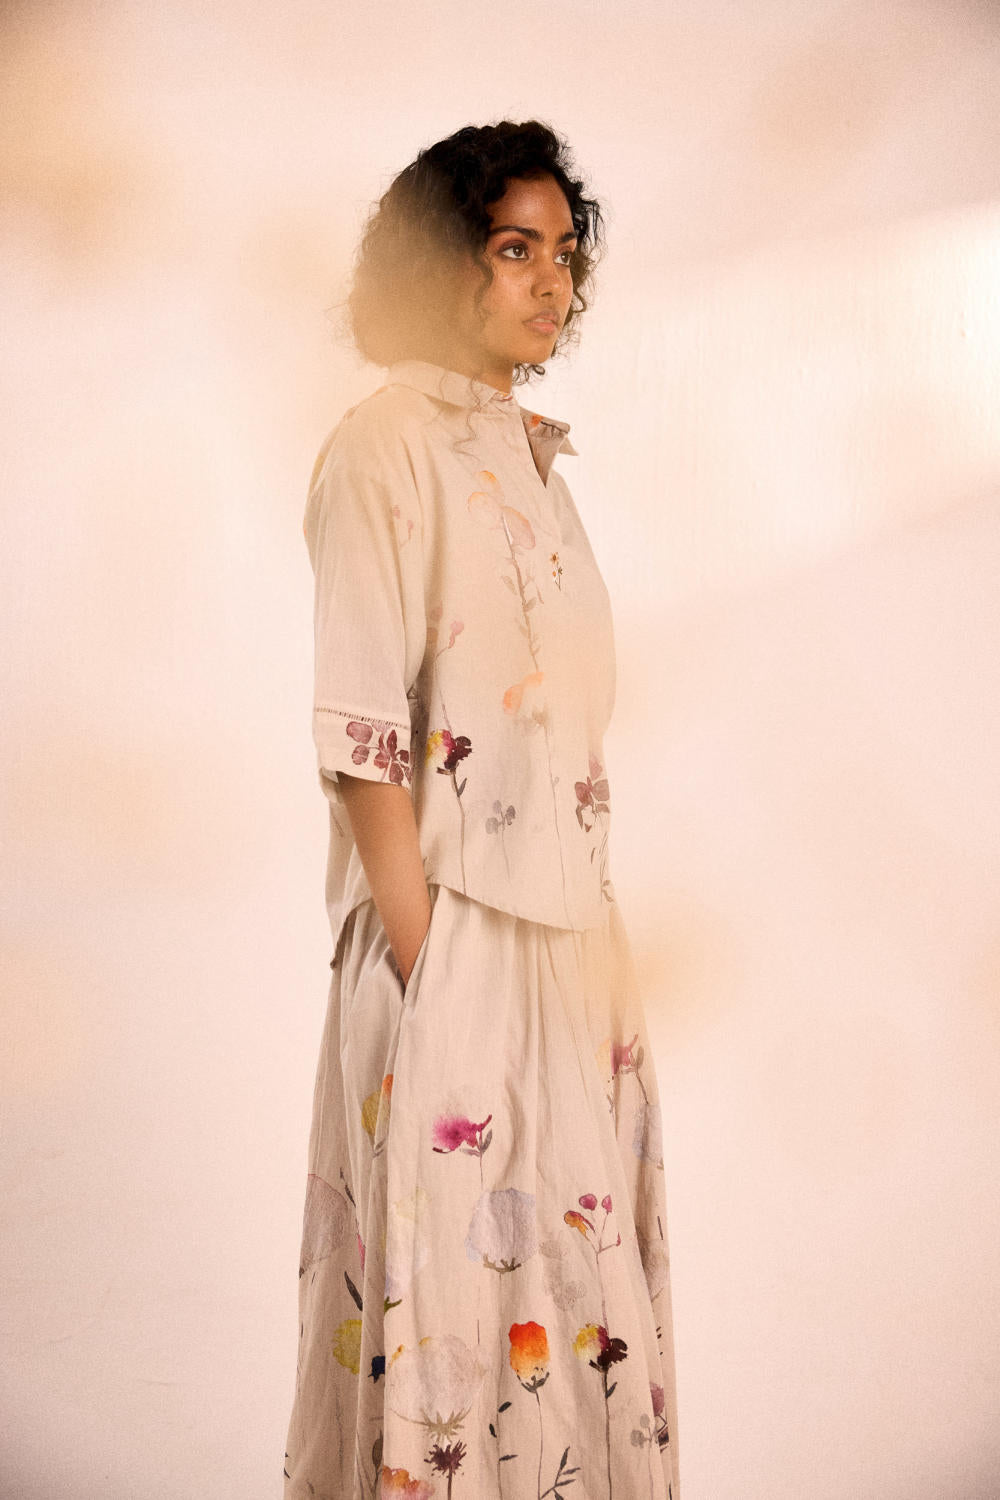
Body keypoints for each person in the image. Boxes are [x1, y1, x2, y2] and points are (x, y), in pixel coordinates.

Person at [283, 119, 679, 1500]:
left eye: (564, 252)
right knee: (452, 1343)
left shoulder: (530, 458)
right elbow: (364, 741)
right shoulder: (381, 447)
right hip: (451, 945)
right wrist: (431, 966)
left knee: (573, 1339)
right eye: (515, 249)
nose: (551, 280)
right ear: (437, 259)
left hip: (572, 955)